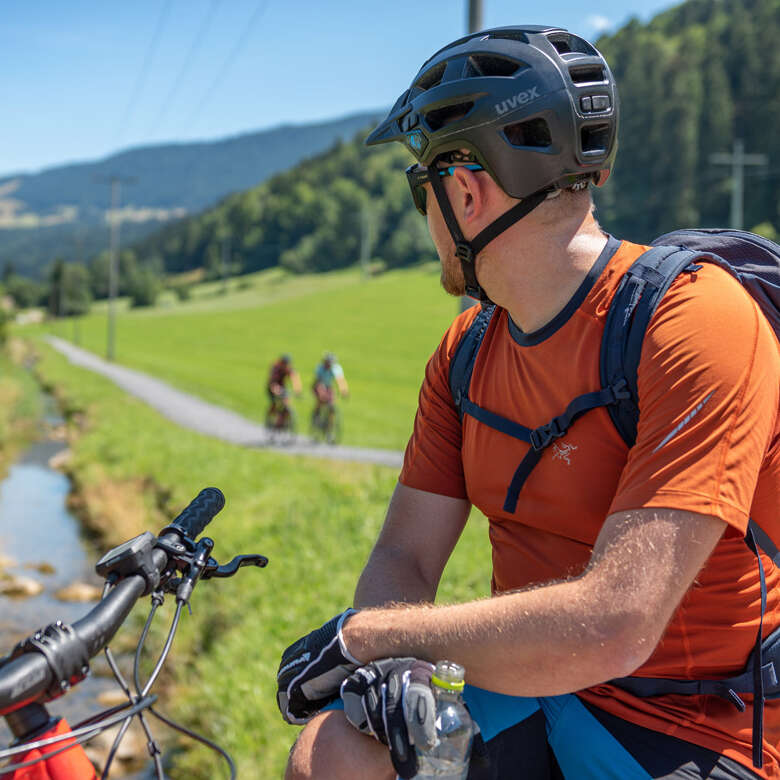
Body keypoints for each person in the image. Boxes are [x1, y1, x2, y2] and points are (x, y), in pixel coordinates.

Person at [277, 25, 780, 780]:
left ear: (466, 191)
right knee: (332, 754)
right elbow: (405, 553)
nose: (428, 220)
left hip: (691, 727)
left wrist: (370, 638)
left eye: (425, 189)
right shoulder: (466, 354)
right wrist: (393, 674)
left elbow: (619, 622)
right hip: (524, 688)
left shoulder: (694, 321)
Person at [311, 351, 349, 433]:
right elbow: (318, 382)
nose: (329, 364)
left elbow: (340, 380)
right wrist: (321, 393)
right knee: (321, 399)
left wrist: (344, 390)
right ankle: (316, 416)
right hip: (318, 384)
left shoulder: (336, 368)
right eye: (328, 362)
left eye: (331, 363)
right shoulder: (320, 368)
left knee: (331, 404)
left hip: (328, 386)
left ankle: (329, 424)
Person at [266, 353, 301, 427]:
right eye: (284, 364)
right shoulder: (275, 368)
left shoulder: (288, 368)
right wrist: (275, 389)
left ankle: (282, 420)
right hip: (272, 386)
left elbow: (295, 378)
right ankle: (271, 418)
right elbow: (272, 381)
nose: (285, 366)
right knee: (274, 403)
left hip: (282, 386)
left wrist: (297, 390)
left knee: (286, 403)